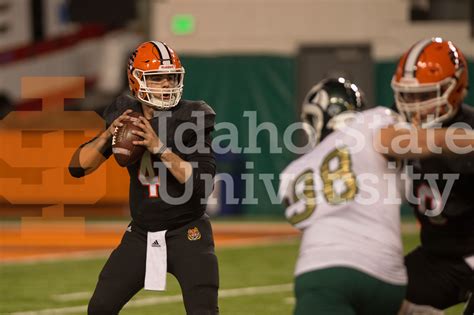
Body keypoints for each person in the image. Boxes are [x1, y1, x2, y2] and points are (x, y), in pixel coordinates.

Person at [69, 41, 219, 315]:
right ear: (136, 80)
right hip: (140, 232)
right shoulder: (126, 115)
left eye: (171, 77)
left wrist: (159, 147)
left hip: (188, 232)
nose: (165, 84)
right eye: (156, 78)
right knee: (100, 307)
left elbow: (202, 183)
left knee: (203, 310)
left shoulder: (191, 117)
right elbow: (77, 168)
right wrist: (107, 136)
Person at [279, 77, 408, 315]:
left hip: (323, 268)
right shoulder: (374, 122)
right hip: (389, 273)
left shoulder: (297, 170)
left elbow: (295, 214)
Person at [390, 37, 474, 315]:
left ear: (456, 90)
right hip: (439, 257)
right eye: (409, 95)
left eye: (425, 95)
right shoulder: (398, 135)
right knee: (376, 296)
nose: (415, 105)